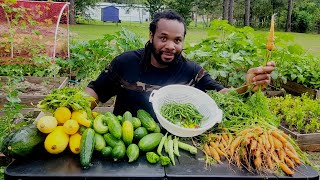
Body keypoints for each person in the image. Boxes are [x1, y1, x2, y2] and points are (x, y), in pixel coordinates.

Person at [85, 10, 275, 118]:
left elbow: (223, 95)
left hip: (174, 144)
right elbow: (96, 90)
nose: (170, 46)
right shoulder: (125, 63)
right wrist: (74, 109)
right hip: (124, 142)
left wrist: (247, 86)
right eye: (163, 38)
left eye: (177, 40)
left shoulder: (192, 72)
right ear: (151, 37)